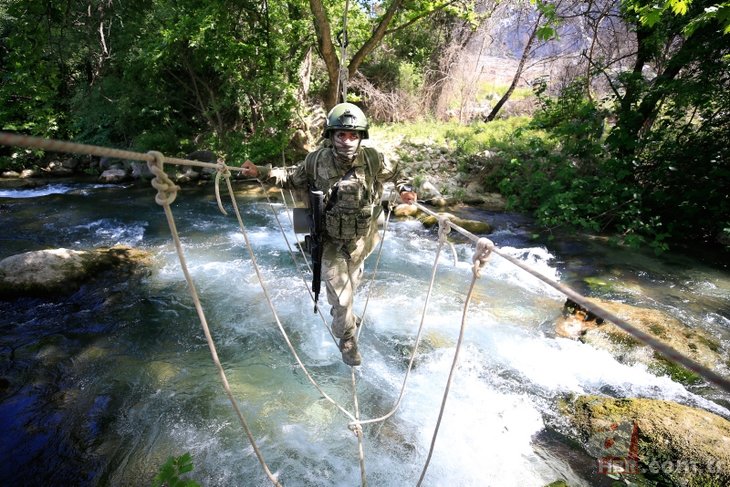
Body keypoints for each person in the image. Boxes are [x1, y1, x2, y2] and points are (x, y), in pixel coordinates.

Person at [241, 103, 417, 366]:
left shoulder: (372, 160)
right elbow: (291, 177)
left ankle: (341, 314)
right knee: (342, 295)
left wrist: (405, 190)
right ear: (331, 136)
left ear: (361, 137)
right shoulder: (315, 161)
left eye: (353, 136)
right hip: (328, 240)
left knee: (348, 290)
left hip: (360, 240)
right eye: (341, 135)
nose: (347, 141)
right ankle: (347, 339)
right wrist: (261, 173)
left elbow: (398, 173)